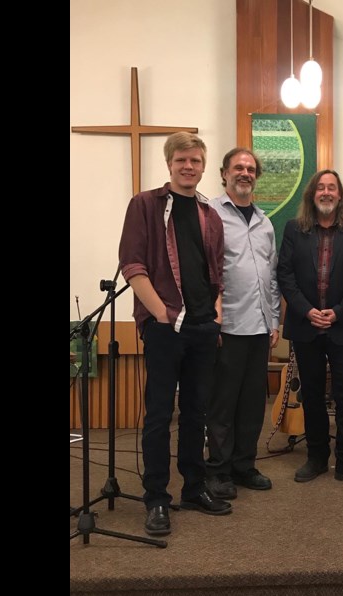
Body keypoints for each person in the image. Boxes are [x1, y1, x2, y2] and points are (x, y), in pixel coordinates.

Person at [118, 132, 233, 537]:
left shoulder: (210, 214)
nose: (189, 166)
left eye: (196, 161)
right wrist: (162, 316)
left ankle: (194, 488)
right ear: (169, 163)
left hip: (203, 328)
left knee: (196, 413)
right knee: (159, 415)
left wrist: (215, 316)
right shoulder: (145, 205)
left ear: (204, 167)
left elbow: (216, 274)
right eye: (182, 159)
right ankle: (156, 499)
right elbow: (132, 265)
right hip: (165, 329)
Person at [277, 169, 343, 486]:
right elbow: (285, 276)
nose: (326, 192)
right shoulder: (294, 230)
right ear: (313, 194)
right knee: (311, 395)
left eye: (332, 188)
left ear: (340, 195)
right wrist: (308, 310)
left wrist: (336, 313)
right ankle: (316, 457)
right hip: (305, 325)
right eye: (321, 187)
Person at [205, 148, 281, 499]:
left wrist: (275, 319)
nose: (245, 173)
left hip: (260, 326)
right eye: (238, 167)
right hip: (227, 325)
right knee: (223, 403)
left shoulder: (265, 222)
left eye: (251, 169)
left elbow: (272, 275)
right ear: (224, 174)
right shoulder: (210, 215)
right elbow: (206, 271)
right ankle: (218, 470)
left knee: (252, 403)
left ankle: (244, 465)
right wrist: (212, 318)